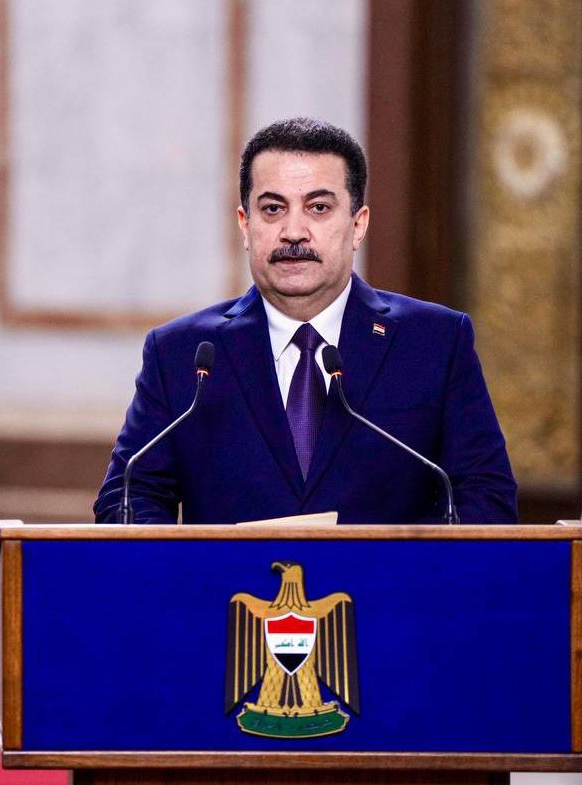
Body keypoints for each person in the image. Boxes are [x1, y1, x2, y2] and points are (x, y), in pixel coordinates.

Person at [94, 117, 516, 525]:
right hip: (228, 579)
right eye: (273, 209)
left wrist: (396, 565)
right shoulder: (182, 354)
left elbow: (486, 497)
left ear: (358, 225)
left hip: (386, 578)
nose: (294, 231)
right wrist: (195, 567)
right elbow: (126, 498)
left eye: (318, 208)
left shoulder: (434, 343)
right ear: (245, 225)